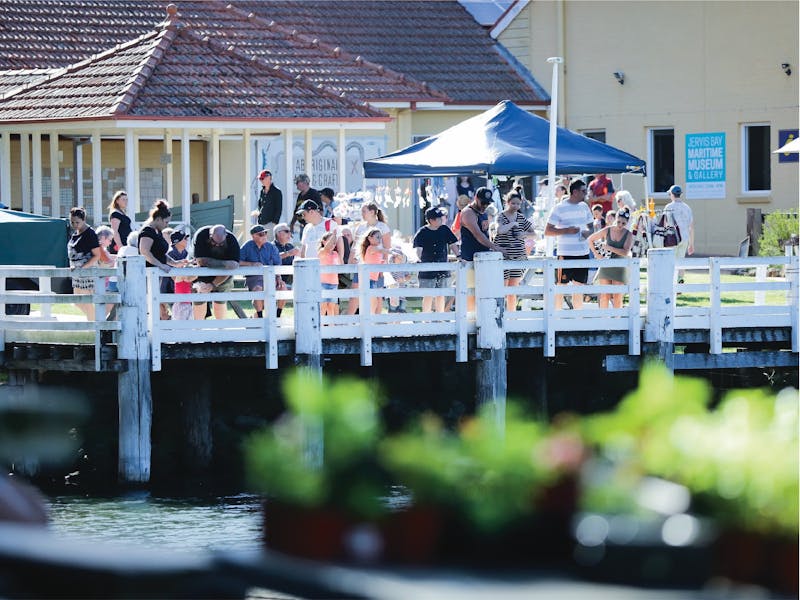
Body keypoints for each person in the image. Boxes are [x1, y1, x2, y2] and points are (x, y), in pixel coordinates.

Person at [545, 179, 594, 310]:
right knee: (560, 287)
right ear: (575, 192)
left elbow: (592, 228)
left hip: (583, 253)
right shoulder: (559, 208)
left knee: (579, 288)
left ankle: (578, 320)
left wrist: (587, 233)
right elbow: (548, 231)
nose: (586, 194)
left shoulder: (584, 206)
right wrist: (566, 230)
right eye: (583, 191)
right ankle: (557, 318)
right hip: (565, 254)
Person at [459, 187, 504, 312]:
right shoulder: (468, 212)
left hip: (484, 257)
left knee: (485, 291)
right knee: (471, 291)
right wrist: (495, 247)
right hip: (470, 258)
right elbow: (477, 235)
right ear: (476, 199)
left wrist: (493, 245)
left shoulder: (483, 213)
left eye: (488, 203)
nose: (485, 205)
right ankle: (470, 319)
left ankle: (482, 315)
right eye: (483, 202)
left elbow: (486, 234)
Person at [138, 200, 182, 320]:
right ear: (158, 219)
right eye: (166, 222)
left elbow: (160, 254)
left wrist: (175, 263)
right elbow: (145, 251)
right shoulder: (147, 231)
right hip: (146, 274)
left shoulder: (157, 232)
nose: (167, 225)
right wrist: (161, 266)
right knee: (150, 302)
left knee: (156, 301)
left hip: (155, 275)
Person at [493, 190, 536, 311]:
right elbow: (499, 230)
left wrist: (524, 234)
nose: (516, 206)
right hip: (503, 258)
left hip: (518, 258)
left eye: (518, 204)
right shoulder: (501, 216)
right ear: (507, 202)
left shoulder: (521, 217)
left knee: (513, 290)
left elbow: (534, 234)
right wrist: (512, 224)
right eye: (513, 203)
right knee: (502, 289)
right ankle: (500, 315)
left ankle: (512, 316)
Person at [346, 201, 392, 315]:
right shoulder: (361, 227)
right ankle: (348, 321)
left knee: (377, 297)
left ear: (372, 212)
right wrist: (350, 261)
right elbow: (355, 247)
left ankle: (376, 324)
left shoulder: (383, 227)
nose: (362, 214)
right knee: (355, 294)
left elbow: (387, 248)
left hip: (377, 267)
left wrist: (383, 269)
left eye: (364, 211)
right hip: (363, 265)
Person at [413, 206, 458, 314]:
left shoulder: (444, 229)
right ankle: (426, 318)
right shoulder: (422, 232)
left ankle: (440, 317)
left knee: (441, 294)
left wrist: (458, 255)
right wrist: (419, 259)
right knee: (428, 295)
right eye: (438, 218)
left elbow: (452, 244)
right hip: (427, 269)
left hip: (442, 268)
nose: (441, 220)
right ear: (431, 220)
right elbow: (418, 249)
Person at [587, 207, 634, 309]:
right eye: (618, 222)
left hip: (620, 266)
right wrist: (597, 254)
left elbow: (625, 252)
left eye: (623, 223)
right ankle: (604, 321)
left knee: (617, 296)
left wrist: (609, 248)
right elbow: (590, 239)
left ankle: (617, 320)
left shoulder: (628, 234)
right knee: (604, 295)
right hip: (607, 264)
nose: (620, 225)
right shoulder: (607, 230)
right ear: (615, 218)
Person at [192, 224, 240, 320]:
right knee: (199, 301)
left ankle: (221, 331)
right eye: (214, 243)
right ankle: (198, 331)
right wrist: (225, 264)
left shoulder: (232, 240)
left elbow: (233, 266)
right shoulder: (201, 235)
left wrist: (213, 284)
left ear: (226, 235)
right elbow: (201, 261)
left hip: (223, 276)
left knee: (220, 302)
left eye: (221, 244)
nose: (217, 245)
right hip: (202, 274)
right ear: (210, 236)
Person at [240, 224, 282, 319]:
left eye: (265, 233)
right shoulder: (247, 246)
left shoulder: (271, 247)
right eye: (261, 234)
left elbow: (277, 264)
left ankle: (277, 316)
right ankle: (260, 317)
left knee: (283, 288)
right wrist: (252, 264)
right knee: (258, 289)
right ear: (253, 236)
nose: (264, 236)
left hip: (271, 276)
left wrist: (279, 277)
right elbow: (237, 261)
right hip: (254, 277)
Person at [68, 207, 103, 321]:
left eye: (77, 222)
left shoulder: (90, 233)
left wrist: (83, 268)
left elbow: (97, 255)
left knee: (86, 302)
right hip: (77, 272)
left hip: (86, 272)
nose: (74, 224)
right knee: (77, 302)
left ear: (84, 220)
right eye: (72, 222)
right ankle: (94, 320)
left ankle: (93, 326)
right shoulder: (75, 233)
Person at [360, 227, 397, 314]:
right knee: (373, 301)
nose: (380, 239)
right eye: (377, 237)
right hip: (368, 279)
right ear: (370, 238)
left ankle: (371, 320)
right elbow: (381, 250)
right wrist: (392, 252)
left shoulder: (376, 249)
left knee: (375, 301)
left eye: (380, 237)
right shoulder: (371, 248)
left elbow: (378, 261)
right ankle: (369, 320)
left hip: (374, 279)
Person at [663, 184, 694, 283]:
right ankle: (680, 280)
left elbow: (665, 223)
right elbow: (691, 227)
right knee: (681, 260)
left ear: (672, 194)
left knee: (670, 261)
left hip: (672, 238)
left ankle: (671, 281)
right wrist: (691, 244)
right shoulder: (687, 208)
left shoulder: (668, 207)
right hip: (684, 238)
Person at [272, 222, 299, 317]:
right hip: (273, 278)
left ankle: (277, 315)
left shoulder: (290, 246)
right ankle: (277, 315)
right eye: (287, 231)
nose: (289, 234)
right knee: (283, 288)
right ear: (278, 233)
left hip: (289, 279)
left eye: (290, 231)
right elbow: (273, 258)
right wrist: (288, 253)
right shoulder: (271, 246)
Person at [252, 169, 282, 239]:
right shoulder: (262, 191)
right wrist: (258, 213)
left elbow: (279, 208)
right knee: (260, 243)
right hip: (261, 222)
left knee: (269, 244)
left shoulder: (277, 191)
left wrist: (275, 223)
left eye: (262, 178)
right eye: (260, 179)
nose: (261, 181)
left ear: (269, 178)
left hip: (270, 223)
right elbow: (260, 205)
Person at [317, 230, 341, 317]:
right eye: (331, 241)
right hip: (323, 283)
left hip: (334, 283)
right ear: (323, 242)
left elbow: (339, 266)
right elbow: (327, 247)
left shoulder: (335, 254)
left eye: (334, 243)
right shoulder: (322, 251)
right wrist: (334, 235)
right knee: (323, 306)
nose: (333, 244)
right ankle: (322, 326)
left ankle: (332, 326)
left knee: (331, 306)